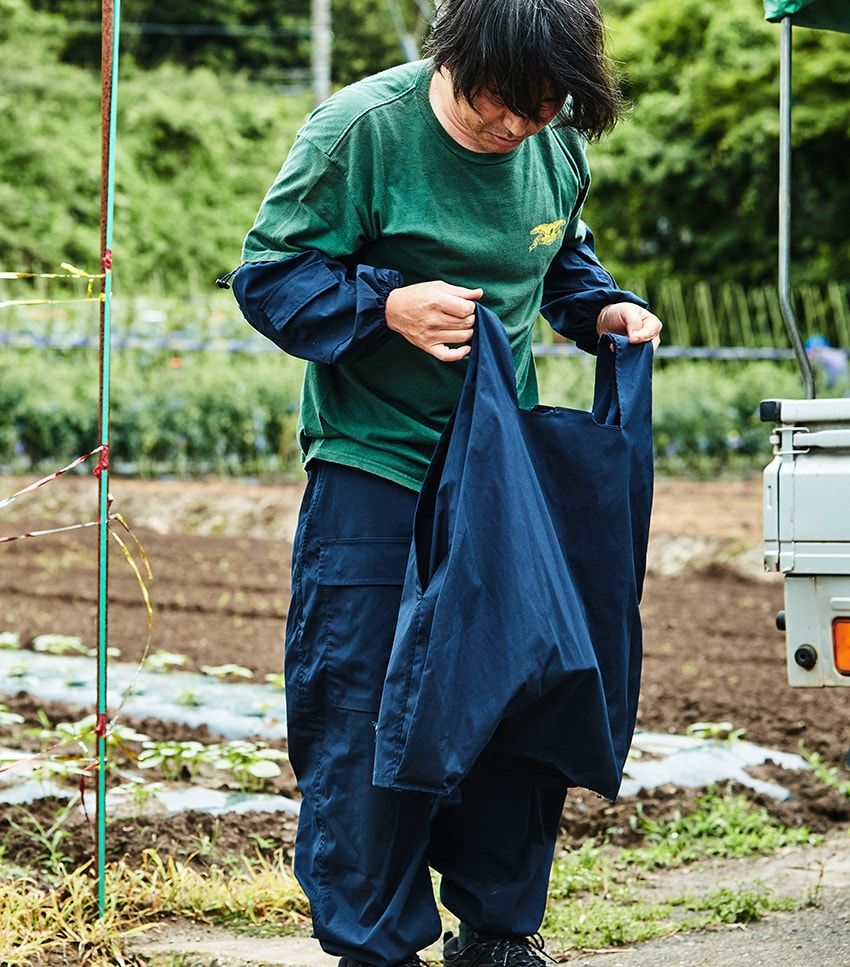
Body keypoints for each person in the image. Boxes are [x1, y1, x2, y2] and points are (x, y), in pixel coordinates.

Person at [228, 2, 663, 966]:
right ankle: (375, 946)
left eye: (542, 110)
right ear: (453, 60)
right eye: (498, 106)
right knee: (364, 705)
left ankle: (498, 932)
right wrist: (386, 304)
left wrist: (604, 309)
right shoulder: (362, 134)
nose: (515, 127)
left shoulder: (550, 147)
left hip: (503, 479)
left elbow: (558, 255)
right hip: (375, 467)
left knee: (516, 694)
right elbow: (268, 276)